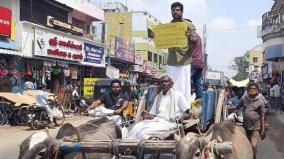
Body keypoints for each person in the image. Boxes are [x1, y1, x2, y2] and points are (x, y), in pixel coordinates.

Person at [127, 75, 191, 140]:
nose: (164, 83)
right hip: (157, 121)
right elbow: (153, 115)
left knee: (144, 132)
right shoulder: (158, 97)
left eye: (166, 82)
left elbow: (188, 113)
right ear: (160, 84)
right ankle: (129, 146)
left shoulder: (178, 95)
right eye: (162, 82)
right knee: (136, 127)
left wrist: (182, 117)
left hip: (169, 123)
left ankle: (143, 149)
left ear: (171, 84)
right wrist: (147, 115)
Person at [166, 2, 197, 102]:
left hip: (184, 60)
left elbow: (195, 40)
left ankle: (184, 109)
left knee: (184, 87)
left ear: (182, 12)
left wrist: (189, 36)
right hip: (171, 60)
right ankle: (171, 105)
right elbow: (163, 41)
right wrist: (155, 36)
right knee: (171, 84)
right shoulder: (168, 26)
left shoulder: (188, 24)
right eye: (173, 10)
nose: (175, 12)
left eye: (177, 10)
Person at [230, 82, 265, 159]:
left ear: (257, 90)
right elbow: (237, 106)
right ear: (248, 89)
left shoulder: (260, 102)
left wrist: (263, 130)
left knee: (253, 146)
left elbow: (262, 116)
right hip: (245, 126)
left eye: (254, 89)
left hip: (255, 127)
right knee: (246, 145)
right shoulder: (244, 98)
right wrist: (228, 107)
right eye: (250, 88)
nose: (252, 90)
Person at [191, 33, 204, 99]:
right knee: (197, 82)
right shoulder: (198, 35)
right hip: (200, 62)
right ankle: (199, 100)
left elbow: (193, 39)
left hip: (193, 61)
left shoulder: (192, 35)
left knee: (186, 80)